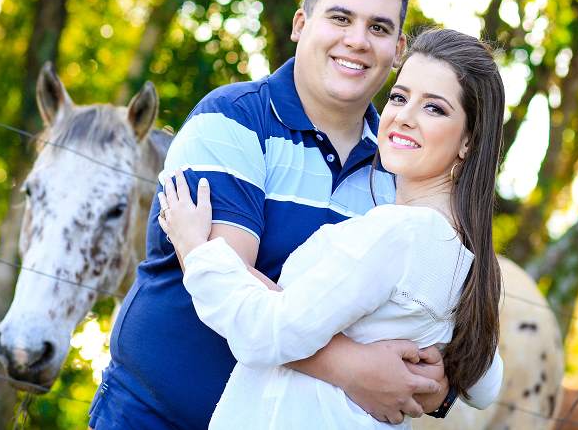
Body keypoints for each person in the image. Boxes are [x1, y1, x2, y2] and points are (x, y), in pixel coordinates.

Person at [90, 0, 460, 429]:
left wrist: (436, 384)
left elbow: (417, 316)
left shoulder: (400, 169)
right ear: (301, 24)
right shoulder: (231, 120)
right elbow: (232, 285)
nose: (357, 41)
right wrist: (355, 368)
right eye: (340, 18)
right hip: (157, 416)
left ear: (398, 50)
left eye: (378, 28)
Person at [158, 28, 505, 429]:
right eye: (399, 97)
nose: (404, 117)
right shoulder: (465, 254)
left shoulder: (398, 233)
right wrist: (436, 379)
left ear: (468, 141)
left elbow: (266, 331)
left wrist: (195, 250)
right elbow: (487, 385)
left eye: (434, 108)